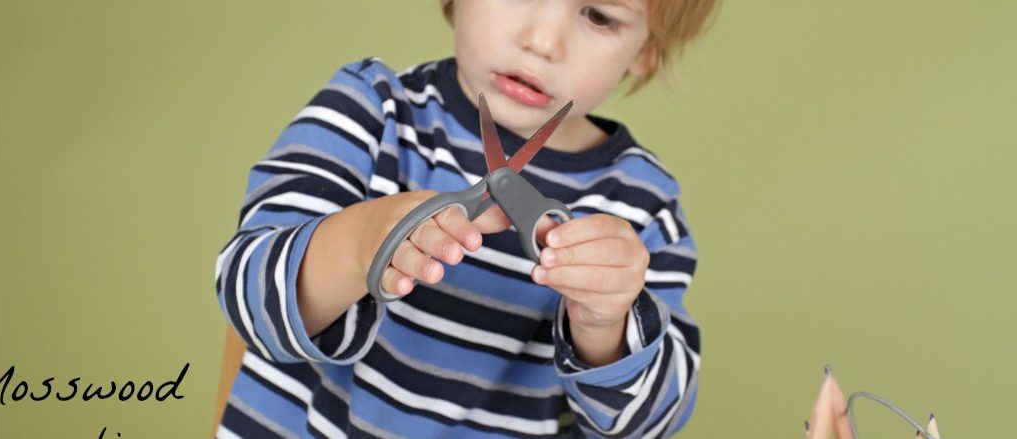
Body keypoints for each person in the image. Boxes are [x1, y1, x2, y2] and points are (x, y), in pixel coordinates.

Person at [214, 0, 718, 437]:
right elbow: (248, 296)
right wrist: (362, 243)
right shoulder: (371, 112)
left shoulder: (643, 206)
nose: (542, 42)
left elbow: (653, 424)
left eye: (598, 15)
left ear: (649, 48)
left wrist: (606, 328)